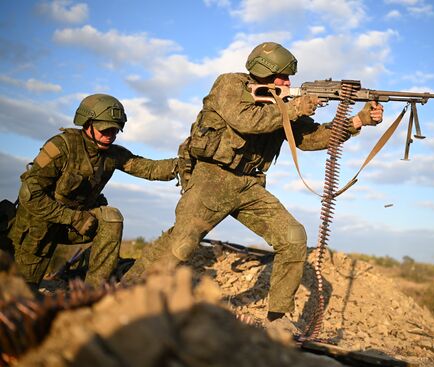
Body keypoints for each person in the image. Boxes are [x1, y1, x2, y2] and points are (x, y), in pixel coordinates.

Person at [124, 42, 383, 327]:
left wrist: (358, 120)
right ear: (264, 72)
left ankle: (277, 319)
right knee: (181, 244)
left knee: (293, 237)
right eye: (282, 76)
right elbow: (245, 121)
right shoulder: (230, 84)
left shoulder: (284, 103)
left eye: (288, 78)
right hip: (212, 177)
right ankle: (122, 298)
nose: (287, 82)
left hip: (249, 183)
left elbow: (309, 139)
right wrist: (295, 106)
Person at [8, 94, 179, 292]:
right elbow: (30, 195)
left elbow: (148, 168)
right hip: (37, 230)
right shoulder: (61, 147)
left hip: (73, 226)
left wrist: (181, 164)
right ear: (86, 123)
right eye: (105, 129)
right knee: (20, 295)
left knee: (111, 218)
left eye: (115, 130)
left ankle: (91, 293)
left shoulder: (112, 154)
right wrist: (72, 217)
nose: (110, 135)